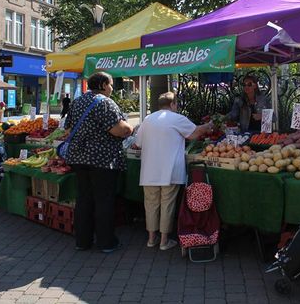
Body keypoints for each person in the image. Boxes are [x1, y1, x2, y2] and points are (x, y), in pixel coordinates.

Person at [65, 72, 133, 252]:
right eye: (110, 84)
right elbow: (119, 130)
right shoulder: (105, 102)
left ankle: (82, 241)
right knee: (104, 200)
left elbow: (69, 128)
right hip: (102, 160)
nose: (112, 88)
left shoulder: (78, 101)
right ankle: (106, 242)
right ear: (103, 84)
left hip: (79, 157)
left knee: (84, 199)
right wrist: (130, 127)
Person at [136, 92, 212, 250]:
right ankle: (164, 241)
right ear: (172, 104)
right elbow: (194, 134)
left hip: (149, 171)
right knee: (167, 204)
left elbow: (138, 143)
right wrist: (207, 126)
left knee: (150, 204)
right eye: (176, 104)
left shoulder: (148, 119)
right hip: (169, 170)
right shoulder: (176, 118)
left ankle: (151, 239)